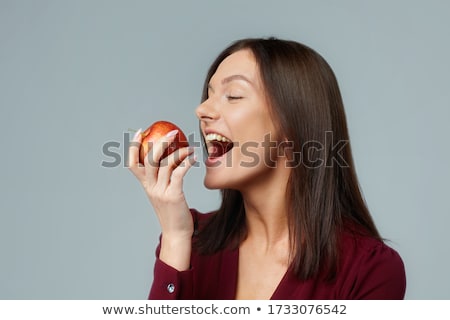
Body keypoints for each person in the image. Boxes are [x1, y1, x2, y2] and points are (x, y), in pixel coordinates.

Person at [128, 37, 406, 299]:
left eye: (233, 95)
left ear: (292, 124)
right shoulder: (191, 242)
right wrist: (176, 237)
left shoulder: (369, 270)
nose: (201, 110)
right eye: (209, 95)